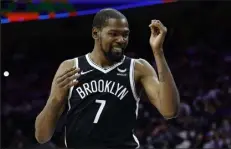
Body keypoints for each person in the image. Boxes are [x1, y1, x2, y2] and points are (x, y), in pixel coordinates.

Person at [35, 8, 180, 149]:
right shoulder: (71, 67)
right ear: (95, 33)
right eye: (113, 34)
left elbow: (169, 111)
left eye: (125, 34)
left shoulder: (138, 68)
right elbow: (42, 136)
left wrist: (158, 51)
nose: (121, 40)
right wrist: (55, 101)